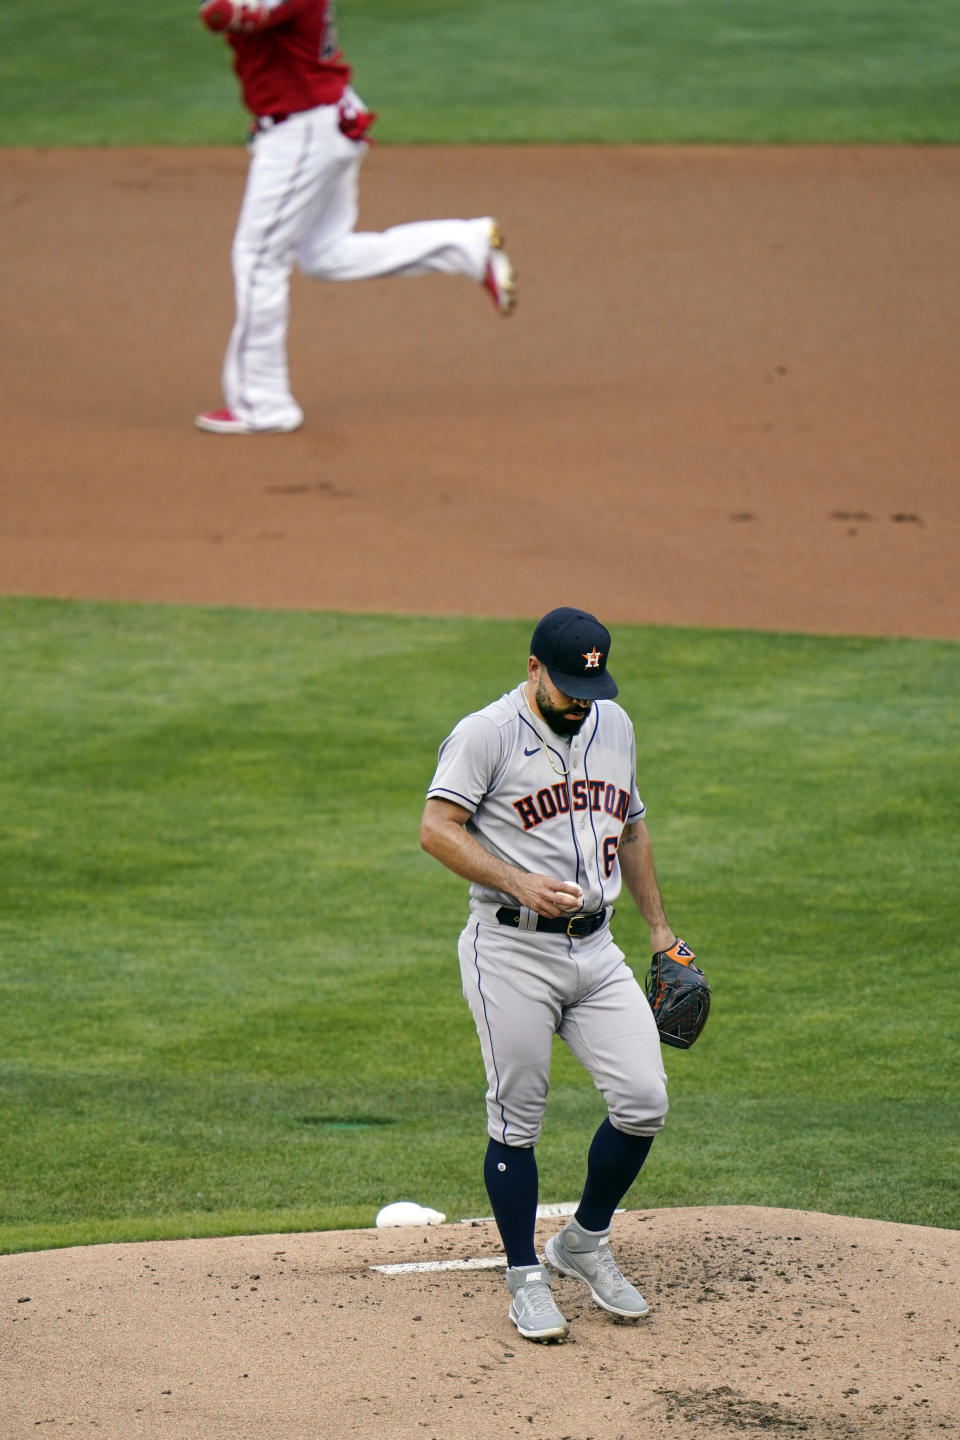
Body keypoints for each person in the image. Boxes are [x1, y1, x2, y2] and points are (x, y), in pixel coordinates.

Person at [420, 607, 693, 1342]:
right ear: (533, 668)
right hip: (511, 952)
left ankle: (581, 1242)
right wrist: (516, 881)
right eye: (569, 686)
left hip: (597, 953)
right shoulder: (486, 734)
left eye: (592, 687)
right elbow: (435, 828)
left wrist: (661, 933)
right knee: (517, 1115)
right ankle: (523, 1278)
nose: (582, 702)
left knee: (644, 1101)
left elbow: (630, 826)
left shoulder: (615, 725)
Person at [195, 0, 516, 435]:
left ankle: (264, 404)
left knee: (258, 257)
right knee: (326, 254)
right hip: (316, 120)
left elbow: (232, 15)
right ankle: (467, 246)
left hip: (304, 131)